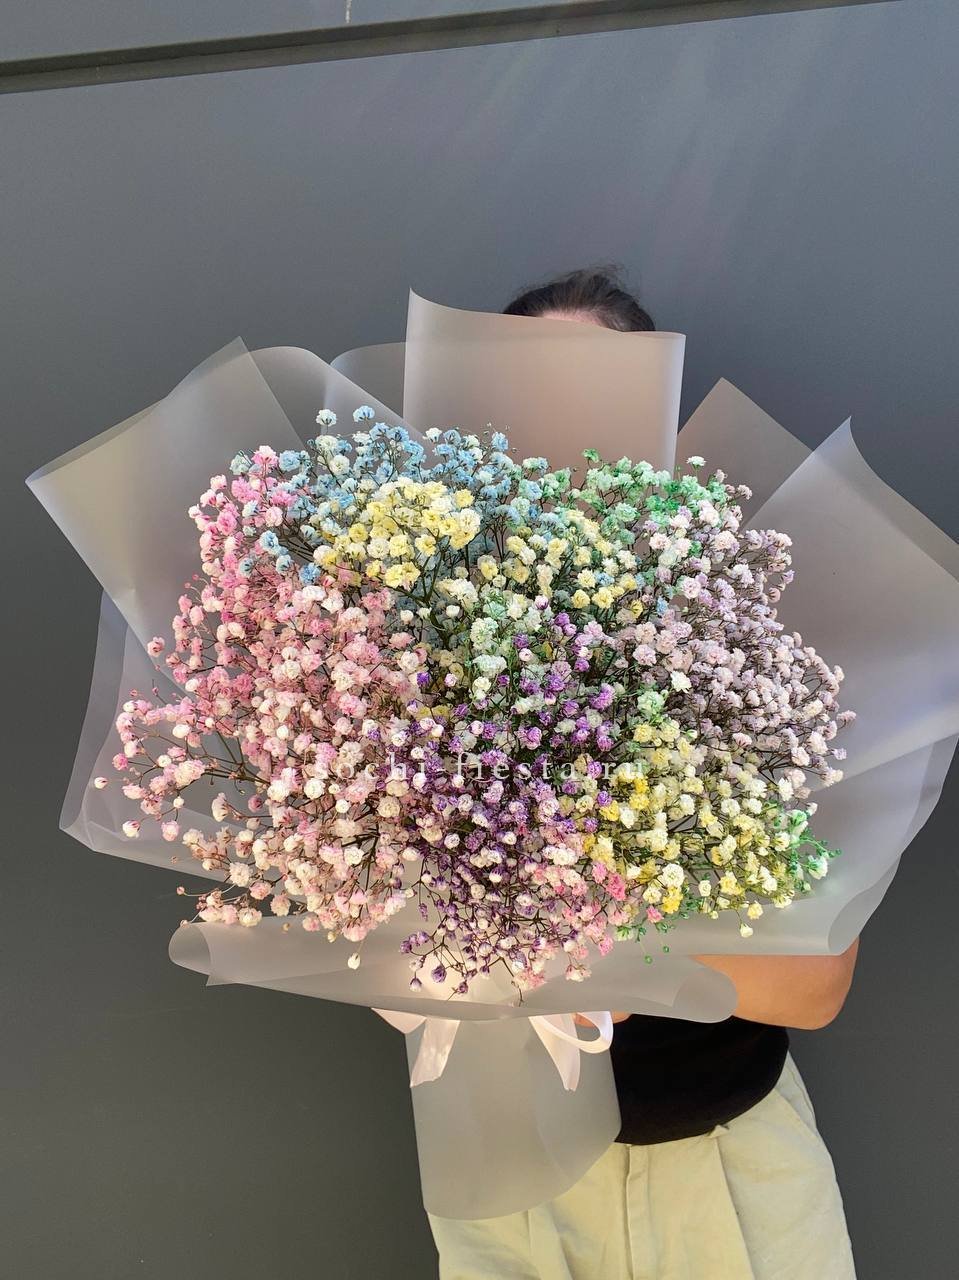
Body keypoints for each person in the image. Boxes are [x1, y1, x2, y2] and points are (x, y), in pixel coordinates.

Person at [425, 265, 860, 1280]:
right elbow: (381, 958)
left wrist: (591, 949)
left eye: (600, 393)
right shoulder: (408, 644)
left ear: (658, 426)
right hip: (508, 1191)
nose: (561, 428)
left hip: (729, 1180)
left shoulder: (743, 646)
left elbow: (814, 985)